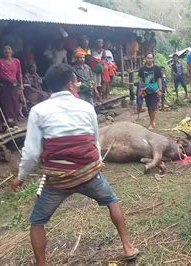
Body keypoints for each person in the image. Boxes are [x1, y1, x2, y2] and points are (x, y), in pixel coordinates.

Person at [10, 64, 139, 265]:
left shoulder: (38, 111)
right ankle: (128, 247)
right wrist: (97, 162)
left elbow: (32, 153)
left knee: (37, 221)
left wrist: (20, 178)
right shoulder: (87, 107)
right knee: (112, 200)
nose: (77, 85)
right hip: (88, 174)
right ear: (71, 84)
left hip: (58, 180)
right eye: (76, 82)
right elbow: (94, 141)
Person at [0, 44, 23, 126]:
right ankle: (8, 121)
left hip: (14, 86)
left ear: (12, 51)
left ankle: (14, 119)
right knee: (6, 104)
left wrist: (21, 85)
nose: (7, 51)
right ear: (3, 52)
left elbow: (19, 74)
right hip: (4, 87)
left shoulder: (16, 61)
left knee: (15, 103)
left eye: (9, 49)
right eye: (5, 49)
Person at [138, 53, 162, 129]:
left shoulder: (157, 68)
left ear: (153, 59)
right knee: (149, 107)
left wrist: (160, 89)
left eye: (151, 58)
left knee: (153, 107)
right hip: (146, 90)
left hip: (154, 90)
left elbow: (159, 79)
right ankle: (152, 120)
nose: (150, 59)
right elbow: (140, 80)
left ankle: (151, 123)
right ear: (146, 59)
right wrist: (140, 89)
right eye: (148, 58)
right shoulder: (142, 69)